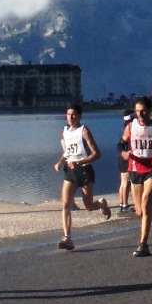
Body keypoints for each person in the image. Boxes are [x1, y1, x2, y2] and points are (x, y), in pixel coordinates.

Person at [54, 103, 111, 251]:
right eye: (68, 115)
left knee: (88, 206)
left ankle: (101, 204)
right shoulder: (64, 131)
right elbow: (67, 151)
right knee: (65, 204)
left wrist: (80, 162)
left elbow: (97, 154)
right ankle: (67, 238)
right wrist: (60, 162)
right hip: (71, 172)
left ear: (79, 116)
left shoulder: (84, 131)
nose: (71, 117)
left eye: (73, 115)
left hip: (85, 170)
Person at [120, 97, 152, 257]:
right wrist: (123, 152)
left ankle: (143, 244)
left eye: (143, 111)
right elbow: (121, 143)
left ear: (149, 111)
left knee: (145, 202)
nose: (140, 114)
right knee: (140, 212)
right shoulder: (130, 127)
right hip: (135, 169)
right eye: (137, 111)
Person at [117, 109, 134, 213]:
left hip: (122, 157)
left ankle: (121, 203)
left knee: (123, 182)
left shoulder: (125, 126)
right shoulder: (131, 127)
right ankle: (124, 204)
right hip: (127, 158)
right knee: (126, 182)